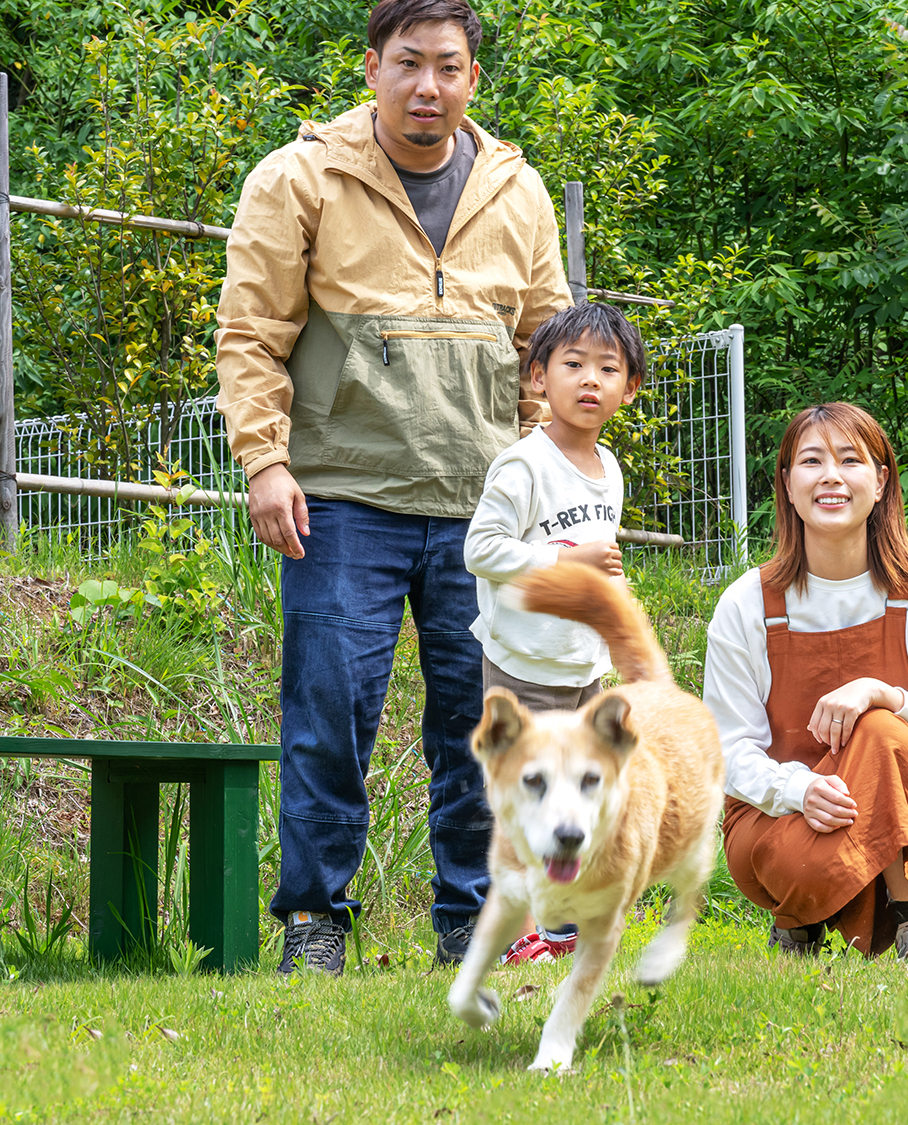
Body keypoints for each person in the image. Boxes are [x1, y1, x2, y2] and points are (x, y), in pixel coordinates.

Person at [213, 0, 572, 975]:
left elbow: (550, 343)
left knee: (483, 728)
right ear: (372, 67)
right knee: (328, 717)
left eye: (447, 67)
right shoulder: (300, 179)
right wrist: (266, 462)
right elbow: (250, 335)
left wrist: (557, 484)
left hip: (484, 510)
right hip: (340, 503)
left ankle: (476, 920)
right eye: (409, 64)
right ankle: (313, 922)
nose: (428, 86)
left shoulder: (517, 190)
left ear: (470, 78)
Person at [703, 403, 908, 960]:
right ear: (786, 484)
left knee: (882, 731)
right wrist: (798, 790)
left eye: (850, 459)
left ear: (880, 482)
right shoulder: (747, 604)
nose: (831, 475)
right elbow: (724, 751)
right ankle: (798, 912)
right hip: (781, 828)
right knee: (809, 837)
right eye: (811, 461)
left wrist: (885, 694)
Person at [463, 301, 644, 966]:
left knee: (583, 793)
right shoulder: (523, 465)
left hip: (580, 663)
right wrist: (562, 561)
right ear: (538, 378)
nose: (590, 380)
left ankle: (564, 923)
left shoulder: (611, 470)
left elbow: (598, 560)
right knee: (529, 793)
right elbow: (480, 548)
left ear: (629, 388)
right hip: (521, 663)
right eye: (573, 365)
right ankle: (530, 929)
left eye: (608, 369)